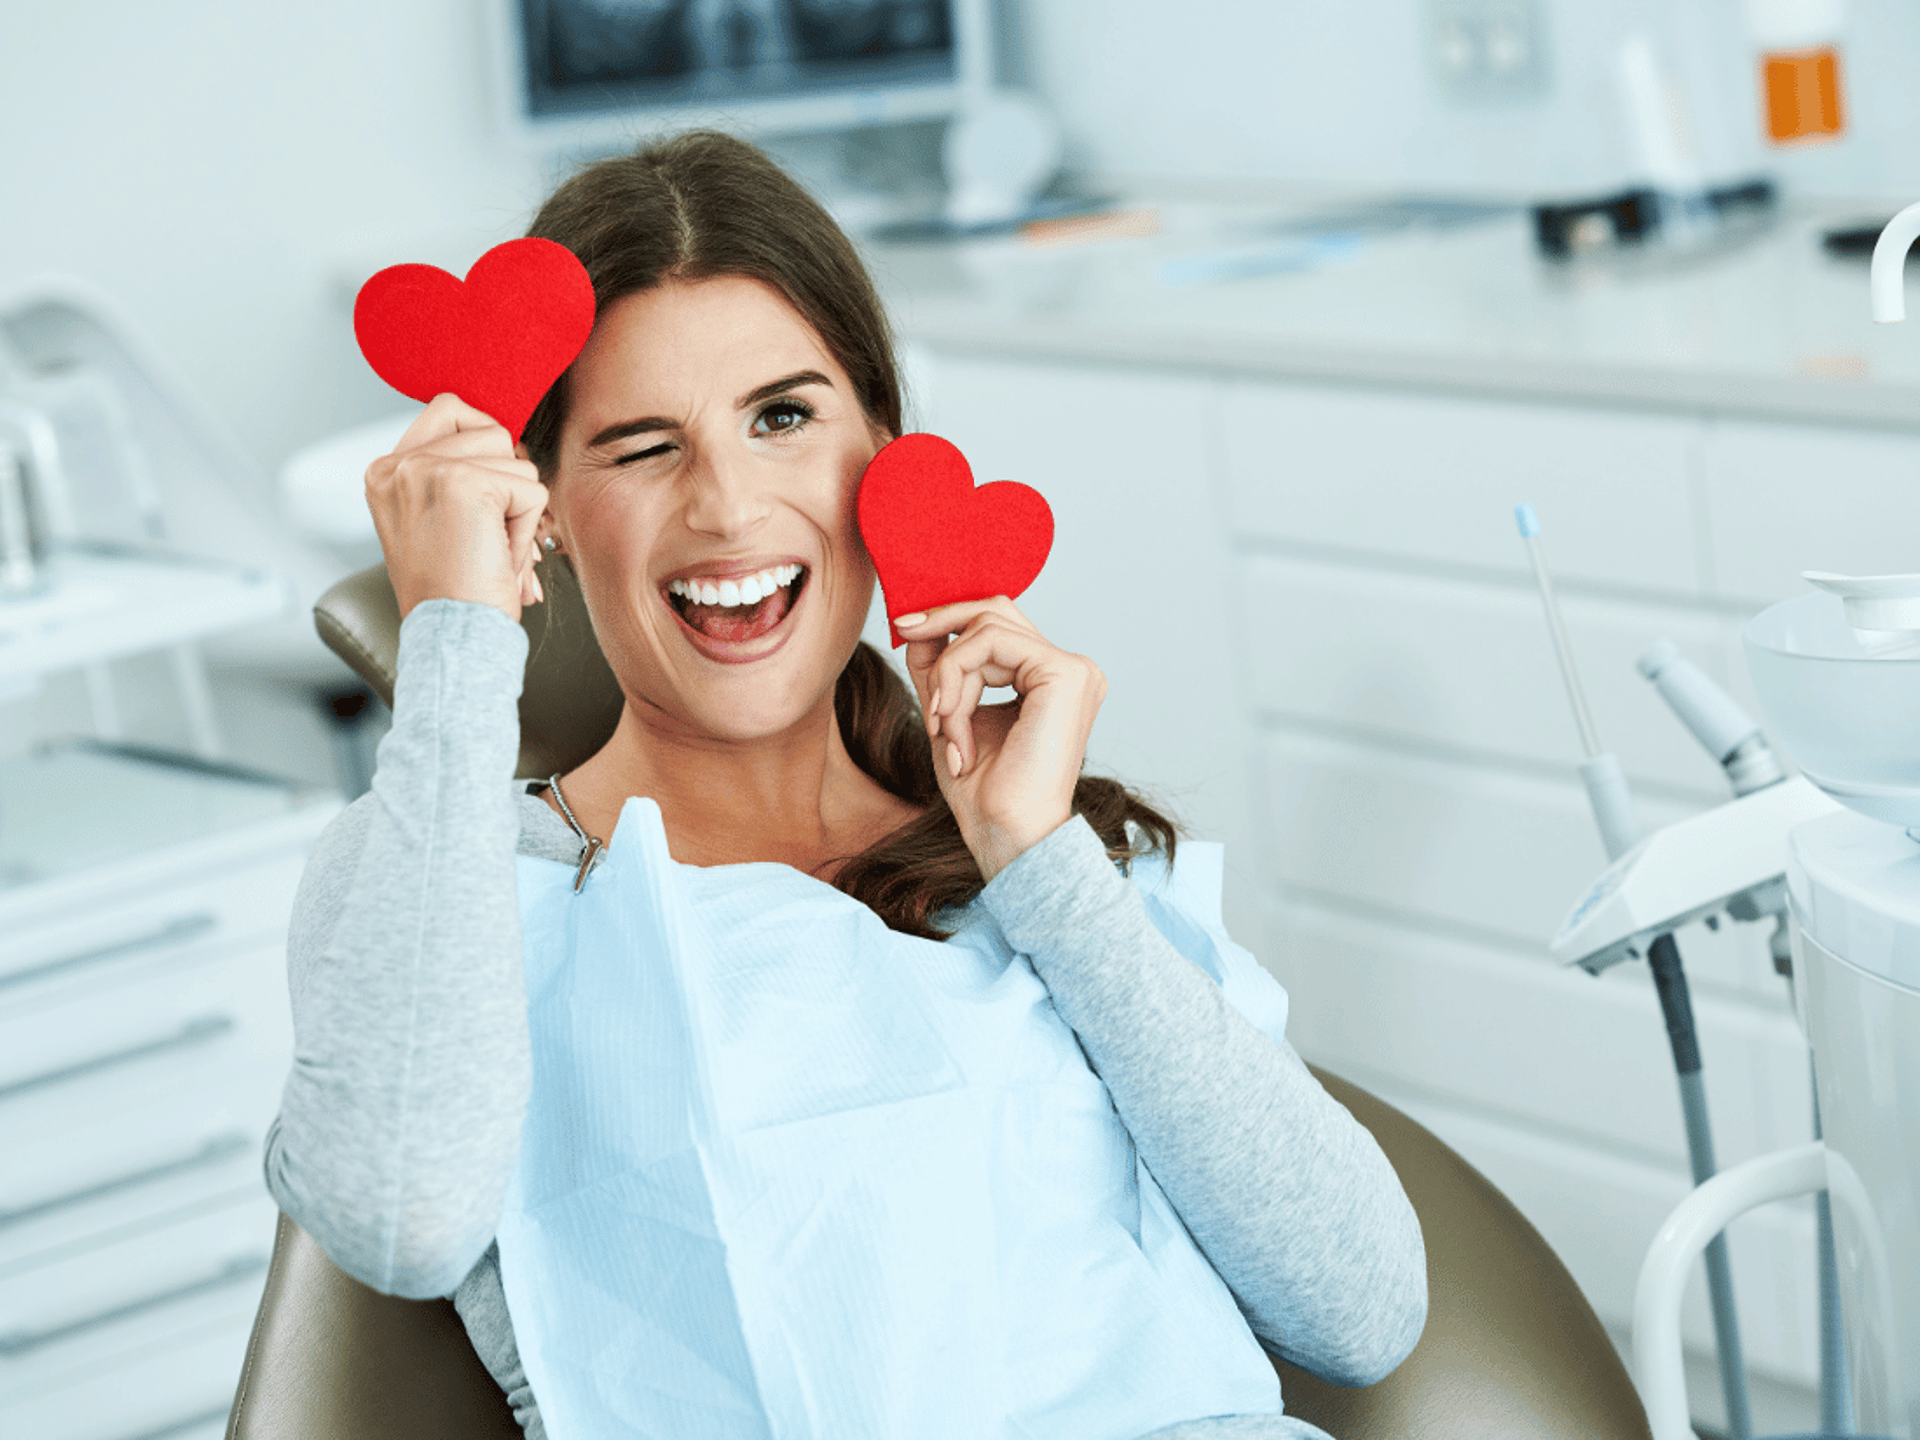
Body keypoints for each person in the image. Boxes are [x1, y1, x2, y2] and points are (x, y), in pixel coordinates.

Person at [266, 130, 1426, 1440]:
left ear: (883, 448)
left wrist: (1045, 869)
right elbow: (402, 1221)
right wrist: (458, 647)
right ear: (542, 506)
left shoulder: (1037, 856)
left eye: (784, 417)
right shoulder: (463, 886)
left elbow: (1362, 1308)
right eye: (643, 446)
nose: (727, 507)